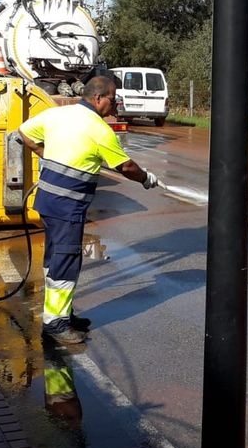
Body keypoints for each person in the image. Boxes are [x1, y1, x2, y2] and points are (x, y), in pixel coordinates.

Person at [17, 75, 160, 345]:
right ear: (98, 98)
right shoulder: (99, 129)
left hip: (48, 201)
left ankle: (61, 313)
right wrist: (146, 179)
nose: (115, 104)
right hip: (67, 205)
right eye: (113, 99)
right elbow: (126, 167)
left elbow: (24, 132)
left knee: (54, 258)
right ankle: (55, 323)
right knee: (66, 259)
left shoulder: (58, 114)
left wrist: (43, 152)